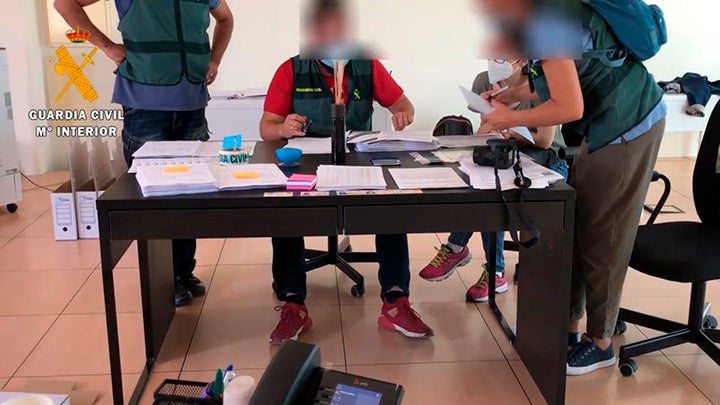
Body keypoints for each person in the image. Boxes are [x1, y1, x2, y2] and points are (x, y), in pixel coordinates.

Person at [475, 1, 667, 375]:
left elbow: (568, 107)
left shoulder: (547, 21)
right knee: (577, 226)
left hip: (629, 122)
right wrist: (509, 97)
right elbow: (554, 80)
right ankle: (569, 327)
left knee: (604, 235)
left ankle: (601, 342)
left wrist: (508, 117)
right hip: (603, 124)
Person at [259, 0, 432, 345]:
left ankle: (395, 300)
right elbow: (267, 127)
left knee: (391, 206)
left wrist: (402, 113)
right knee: (286, 209)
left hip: (357, 157)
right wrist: (283, 128)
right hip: (306, 160)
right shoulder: (291, 69)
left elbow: (403, 103)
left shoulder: (366, 66)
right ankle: (293, 303)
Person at [55, 0, 234, 306]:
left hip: (192, 103)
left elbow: (225, 19)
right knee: (152, 199)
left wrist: (214, 60)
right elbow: (64, 4)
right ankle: (161, 280)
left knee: (188, 194)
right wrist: (107, 47)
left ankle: (182, 271)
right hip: (144, 105)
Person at [419, 59, 567, 302]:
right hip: (507, 155)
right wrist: (496, 130)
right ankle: (466, 253)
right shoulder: (483, 81)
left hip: (545, 160)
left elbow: (544, 140)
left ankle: (481, 262)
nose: (493, 58)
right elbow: (485, 129)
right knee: (482, 183)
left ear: (522, 58)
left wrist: (508, 128)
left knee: (497, 192)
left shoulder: (541, 80)